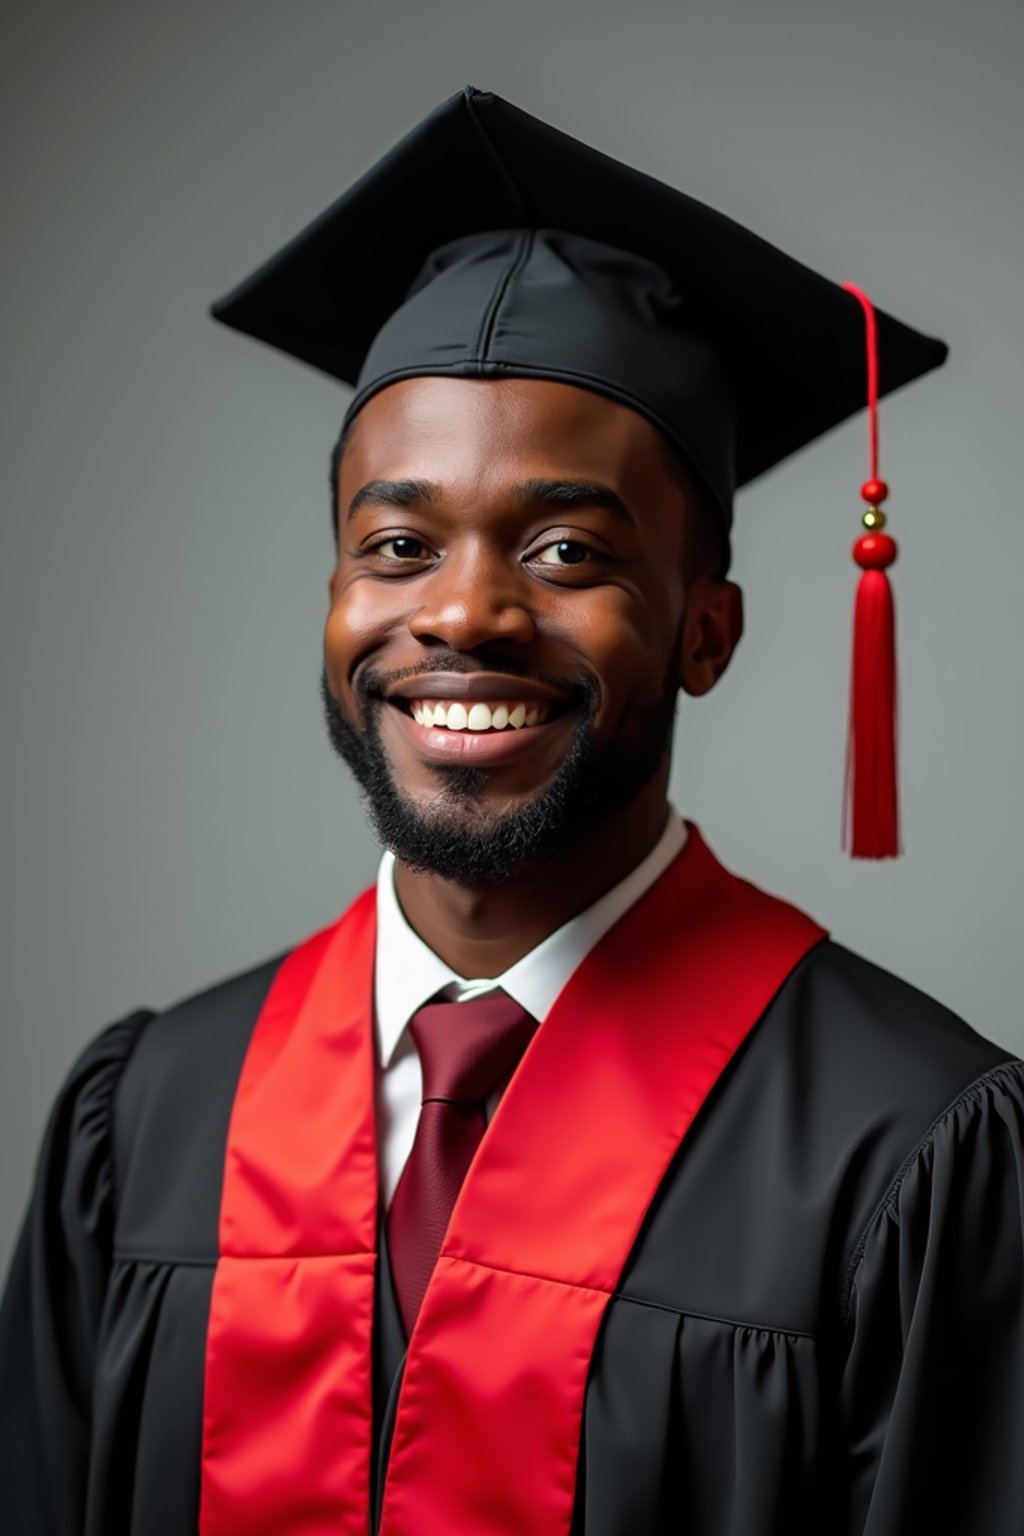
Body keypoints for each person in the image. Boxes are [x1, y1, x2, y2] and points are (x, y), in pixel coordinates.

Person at [2, 85, 1022, 1536]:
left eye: (563, 550)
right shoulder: (154, 1115)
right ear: (335, 601)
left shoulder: (910, 1152)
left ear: (707, 634)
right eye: (399, 545)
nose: (465, 612)